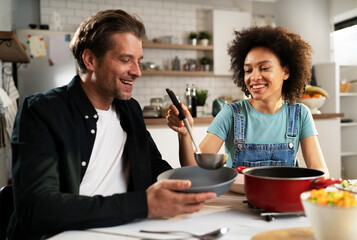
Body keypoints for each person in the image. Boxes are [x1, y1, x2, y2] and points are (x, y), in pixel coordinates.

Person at [8, 9, 216, 240]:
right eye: (125, 59)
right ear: (90, 60)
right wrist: (144, 204)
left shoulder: (130, 109)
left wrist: (194, 171)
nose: (137, 72)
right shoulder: (41, 111)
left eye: (138, 61)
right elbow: (37, 209)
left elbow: (154, 169)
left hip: (125, 230)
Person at [167, 25, 329, 177]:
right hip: (237, 202)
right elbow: (195, 169)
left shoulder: (300, 114)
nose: (254, 77)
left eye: (264, 68)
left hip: (282, 201)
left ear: (285, 71)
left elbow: (320, 172)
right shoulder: (231, 113)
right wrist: (184, 135)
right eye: (248, 70)